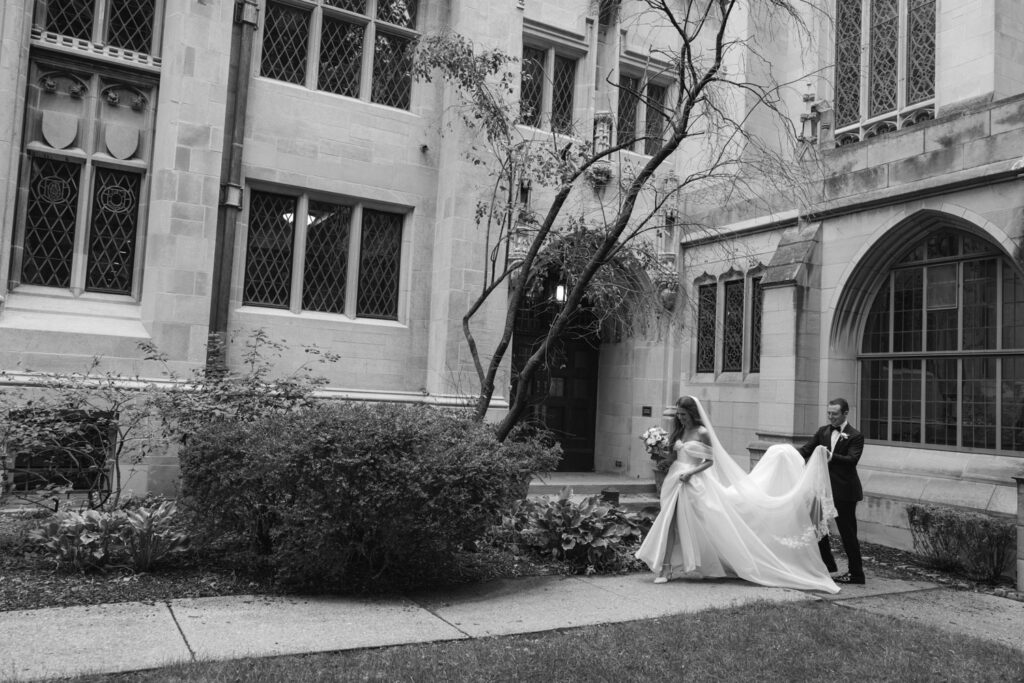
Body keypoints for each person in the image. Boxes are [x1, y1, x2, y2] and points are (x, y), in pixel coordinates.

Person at [636, 396, 840, 593]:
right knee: (670, 522)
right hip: (675, 480)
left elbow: (709, 461)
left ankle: (727, 560)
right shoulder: (679, 431)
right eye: (678, 414)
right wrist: (659, 453)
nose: (680, 418)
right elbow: (676, 455)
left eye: (683, 414)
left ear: (692, 413)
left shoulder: (702, 432)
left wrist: (690, 472)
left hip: (693, 482)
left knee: (706, 525)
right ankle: (666, 567)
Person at [798, 397, 865, 585]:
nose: (831, 417)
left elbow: (852, 460)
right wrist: (785, 453)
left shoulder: (855, 435)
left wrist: (830, 456)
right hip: (820, 490)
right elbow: (806, 450)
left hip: (844, 492)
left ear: (845, 413)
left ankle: (856, 574)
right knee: (818, 528)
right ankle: (828, 566)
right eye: (828, 413)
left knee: (848, 533)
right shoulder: (823, 431)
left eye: (834, 414)